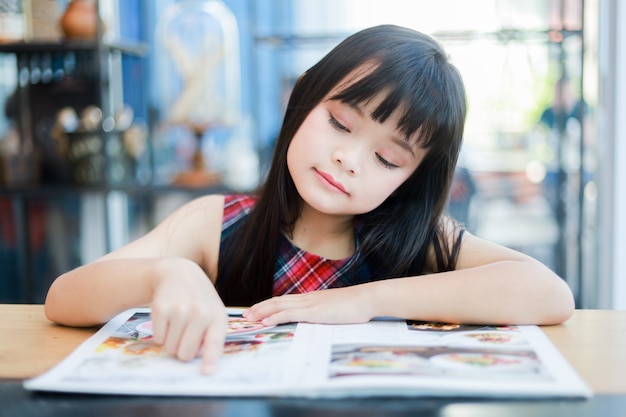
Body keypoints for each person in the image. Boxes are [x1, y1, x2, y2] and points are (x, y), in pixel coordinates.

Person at [44, 25, 575, 374]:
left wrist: (362, 302)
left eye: (389, 160)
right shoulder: (218, 223)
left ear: (410, 180)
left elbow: (549, 294)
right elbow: (64, 298)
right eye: (340, 123)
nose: (350, 159)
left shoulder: (419, 241)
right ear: (302, 99)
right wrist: (161, 275)